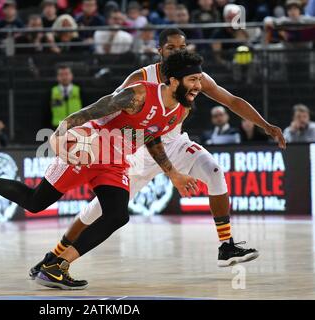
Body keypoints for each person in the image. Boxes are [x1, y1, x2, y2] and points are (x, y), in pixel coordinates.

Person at [28, 28, 286, 282]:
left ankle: (226, 246)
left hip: (174, 144)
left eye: (182, 47)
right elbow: (110, 110)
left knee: (215, 172)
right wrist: (84, 137)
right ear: (159, 50)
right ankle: (53, 256)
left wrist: (265, 125)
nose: (177, 51)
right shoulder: (139, 80)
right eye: (171, 48)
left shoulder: (194, 76)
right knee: (98, 211)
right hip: (139, 150)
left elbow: (231, 101)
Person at [0, 50, 204, 289]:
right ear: (172, 81)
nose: (198, 86)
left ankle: (56, 265)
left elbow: (152, 136)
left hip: (115, 160)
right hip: (87, 147)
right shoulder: (139, 94)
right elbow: (93, 109)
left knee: (117, 215)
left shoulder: (181, 111)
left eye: (199, 80)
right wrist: (60, 133)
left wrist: (173, 173)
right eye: (192, 80)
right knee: (35, 202)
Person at [49, 65, 83, 129]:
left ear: (71, 75)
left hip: (77, 127)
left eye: (66, 74)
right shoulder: (51, 92)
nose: (64, 77)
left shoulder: (80, 91)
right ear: (57, 77)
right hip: (58, 127)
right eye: (61, 75)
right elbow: (47, 112)